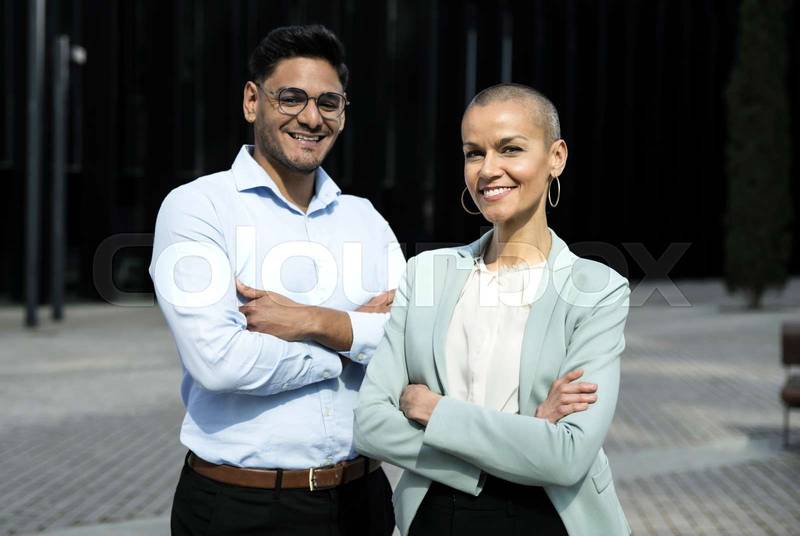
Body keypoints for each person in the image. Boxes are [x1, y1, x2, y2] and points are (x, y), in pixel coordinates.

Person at [149, 25, 404, 535]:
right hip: (243, 507)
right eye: (291, 98)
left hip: (364, 501)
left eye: (328, 103)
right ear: (252, 101)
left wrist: (313, 322)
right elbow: (220, 363)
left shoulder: (366, 219)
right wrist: (350, 344)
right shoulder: (199, 208)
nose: (311, 117)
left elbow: (417, 346)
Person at [353, 83, 632, 536]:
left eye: (510, 149)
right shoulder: (425, 274)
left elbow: (566, 457)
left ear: (556, 158)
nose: (488, 170)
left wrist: (435, 410)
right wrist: (524, 435)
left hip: (549, 518)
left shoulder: (597, 289)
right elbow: (370, 426)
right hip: (435, 515)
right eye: (473, 152)